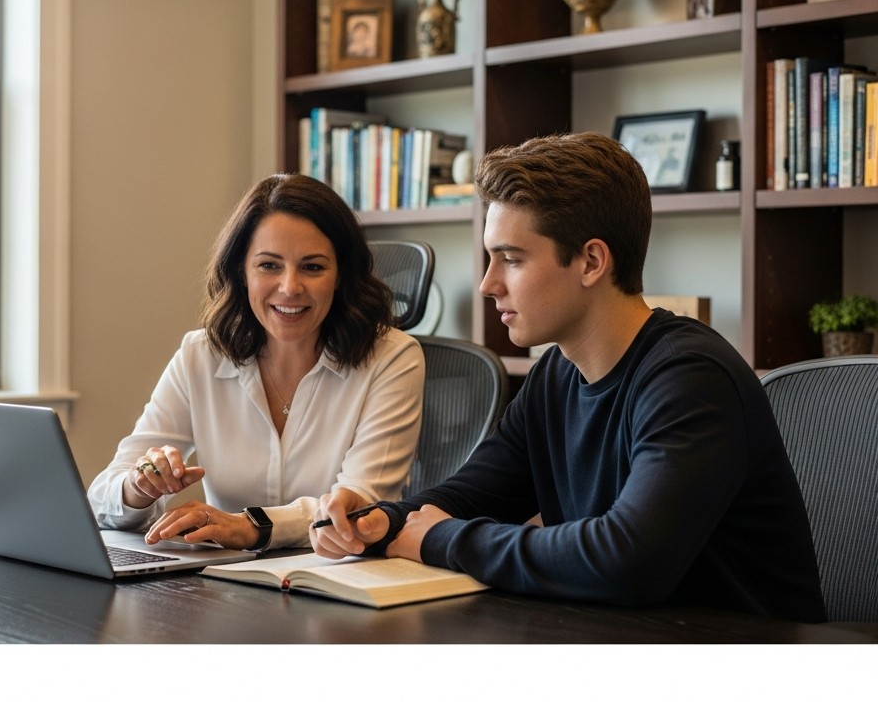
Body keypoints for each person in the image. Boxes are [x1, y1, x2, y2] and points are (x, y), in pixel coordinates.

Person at [312, 132, 825, 623]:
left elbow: (628, 560)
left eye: (510, 259)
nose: (489, 284)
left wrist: (439, 539)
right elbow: (471, 495)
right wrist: (383, 521)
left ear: (592, 261)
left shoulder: (691, 379)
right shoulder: (555, 373)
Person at [88, 173, 424, 551]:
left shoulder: (393, 358)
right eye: (269, 265)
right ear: (241, 271)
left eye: (313, 267)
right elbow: (102, 498)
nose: (290, 287)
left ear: (341, 276)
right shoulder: (201, 355)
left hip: (339, 581)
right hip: (224, 583)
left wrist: (252, 527)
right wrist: (139, 486)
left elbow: (359, 504)